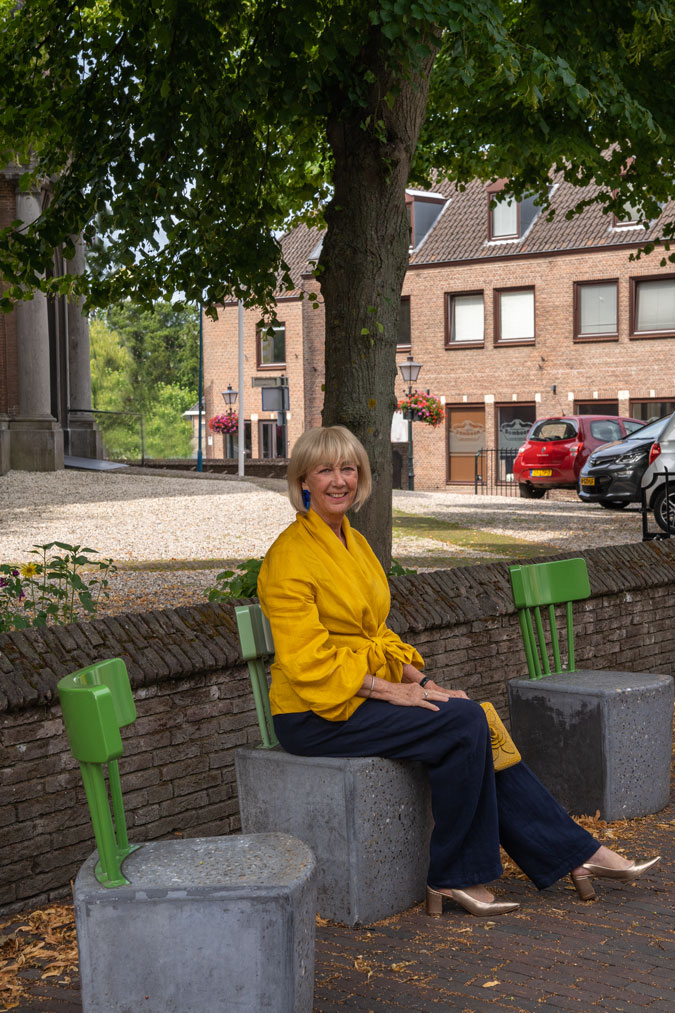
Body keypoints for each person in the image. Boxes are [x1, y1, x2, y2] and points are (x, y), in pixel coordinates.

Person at [257, 425, 660, 916]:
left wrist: (424, 684)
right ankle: (455, 876)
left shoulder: (353, 542)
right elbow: (307, 660)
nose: (339, 480)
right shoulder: (289, 557)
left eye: (348, 469)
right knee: (463, 725)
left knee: (473, 714)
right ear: (303, 481)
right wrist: (391, 692)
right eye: (325, 470)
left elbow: (377, 637)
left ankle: (576, 853)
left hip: (357, 695)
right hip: (313, 712)